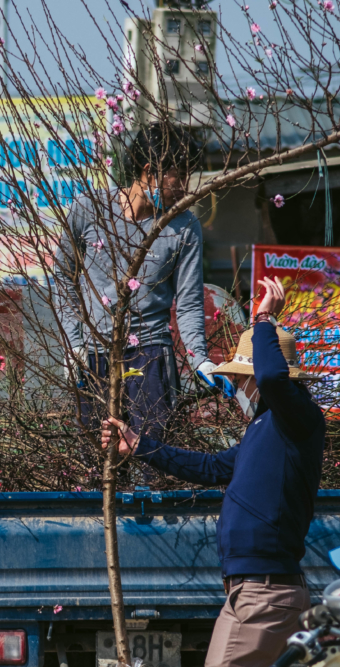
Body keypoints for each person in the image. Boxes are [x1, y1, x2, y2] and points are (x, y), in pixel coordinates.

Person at [102, 276, 324, 667]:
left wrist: (262, 319)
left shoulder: (298, 419)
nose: (236, 388)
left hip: (263, 592)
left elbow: (273, 379)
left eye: (240, 379)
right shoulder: (264, 429)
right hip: (253, 590)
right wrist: (139, 446)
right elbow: (209, 468)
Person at [55, 122, 220, 442]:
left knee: (154, 458)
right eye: (179, 175)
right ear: (150, 170)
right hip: (93, 355)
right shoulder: (89, 209)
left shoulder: (184, 227)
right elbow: (64, 276)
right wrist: (73, 344)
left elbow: (187, 303)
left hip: (151, 357)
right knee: (96, 460)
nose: (186, 186)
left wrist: (200, 359)